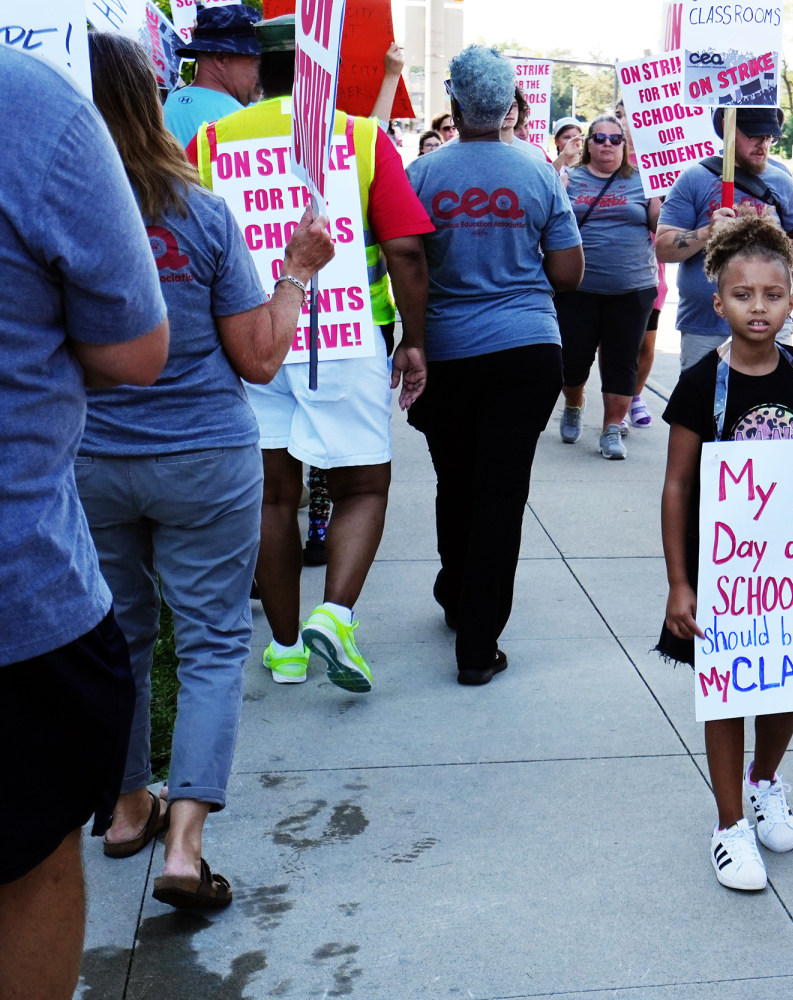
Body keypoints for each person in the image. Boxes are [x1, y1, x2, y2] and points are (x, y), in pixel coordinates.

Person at [80, 32, 336, 909]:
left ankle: (124, 811)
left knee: (116, 639)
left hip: (91, 461)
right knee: (215, 642)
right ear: (152, 100)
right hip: (202, 458)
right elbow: (260, 359)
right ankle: (185, 845)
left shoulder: (45, 210)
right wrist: (298, 273)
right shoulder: (201, 212)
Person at [188, 13, 433, 693]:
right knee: (363, 486)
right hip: (346, 339)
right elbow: (408, 248)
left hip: (251, 338)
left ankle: (289, 647)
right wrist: (415, 339)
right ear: (321, 71)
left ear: (255, 68)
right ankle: (336, 612)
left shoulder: (209, 141)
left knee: (271, 497)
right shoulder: (359, 137)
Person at [0, 45, 168, 1000]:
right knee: (24, 869)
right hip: (18, 599)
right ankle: (143, 805)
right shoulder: (33, 108)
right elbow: (138, 348)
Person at [656, 215, 793, 891]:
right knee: (727, 694)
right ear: (717, 299)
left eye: (773, 295)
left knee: (784, 678)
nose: (759, 308)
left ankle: (765, 782)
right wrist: (679, 582)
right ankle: (730, 825)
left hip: (789, 569)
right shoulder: (701, 383)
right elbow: (675, 487)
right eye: (743, 295)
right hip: (722, 569)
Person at [405, 45, 583, 685]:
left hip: (448, 351)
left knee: (455, 479)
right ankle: (479, 646)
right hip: (527, 350)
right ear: (510, 105)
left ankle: (457, 596)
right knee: (502, 492)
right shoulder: (538, 172)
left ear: (453, 103)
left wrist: (414, 339)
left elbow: (409, 264)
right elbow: (567, 270)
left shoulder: (421, 174)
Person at [655, 106, 793, 371]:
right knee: (703, 408)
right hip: (706, 326)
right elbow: (663, 248)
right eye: (755, 135)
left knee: (769, 406)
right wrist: (707, 232)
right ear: (727, 129)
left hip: (769, 322)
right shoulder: (694, 178)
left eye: (769, 137)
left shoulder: (781, 181)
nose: (763, 144)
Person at [556, 113, 662, 459]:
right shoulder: (571, 178)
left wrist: (662, 194)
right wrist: (561, 165)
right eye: (599, 138)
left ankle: (611, 429)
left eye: (615, 139)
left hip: (632, 288)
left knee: (622, 361)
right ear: (587, 144)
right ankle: (573, 405)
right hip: (578, 288)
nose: (607, 144)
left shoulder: (645, 181)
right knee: (573, 359)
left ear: (625, 145)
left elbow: (659, 226)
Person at [618, 98, 667, 429]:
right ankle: (617, 408)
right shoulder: (608, 159)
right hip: (616, 270)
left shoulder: (663, 164)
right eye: (621, 115)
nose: (627, 123)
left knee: (646, 343)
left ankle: (635, 394)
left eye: (632, 115)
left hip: (653, 270)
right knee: (617, 345)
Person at [161, 4, 262, 148]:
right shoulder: (245, 121)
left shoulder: (163, 111)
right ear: (221, 58)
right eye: (257, 60)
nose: (263, 69)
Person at [502, 88, 549, 162]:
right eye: (504, 105)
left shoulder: (535, 153)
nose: (510, 111)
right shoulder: (480, 150)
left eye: (514, 105)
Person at [551, 116, 585, 182]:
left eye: (576, 137)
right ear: (556, 141)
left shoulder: (589, 166)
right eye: (567, 138)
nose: (572, 141)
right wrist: (564, 155)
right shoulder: (551, 168)